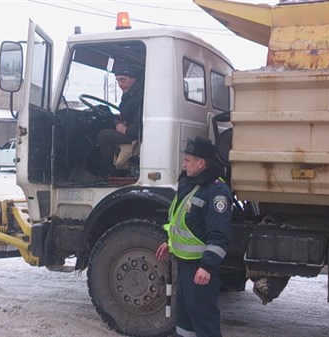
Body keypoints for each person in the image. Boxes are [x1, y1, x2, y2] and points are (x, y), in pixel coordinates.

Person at [155, 136, 233, 337]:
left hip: (199, 266)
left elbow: (219, 235)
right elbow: (181, 221)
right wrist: (169, 242)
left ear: (201, 163)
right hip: (184, 264)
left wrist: (207, 266)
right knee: (185, 317)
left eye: (188, 160)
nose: (183, 164)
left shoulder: (216, 191)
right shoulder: (190, 184)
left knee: (203, 317)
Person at [97, 63, 143, 177]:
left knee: (103, 136)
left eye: (123, 80)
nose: (120, 85)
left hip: (135, 135)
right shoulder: (130, 94)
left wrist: (125, 129)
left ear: (133, 79)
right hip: (130, 130)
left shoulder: (139, 97)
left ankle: (111, 173)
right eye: (117, 80)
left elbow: (141, 127)